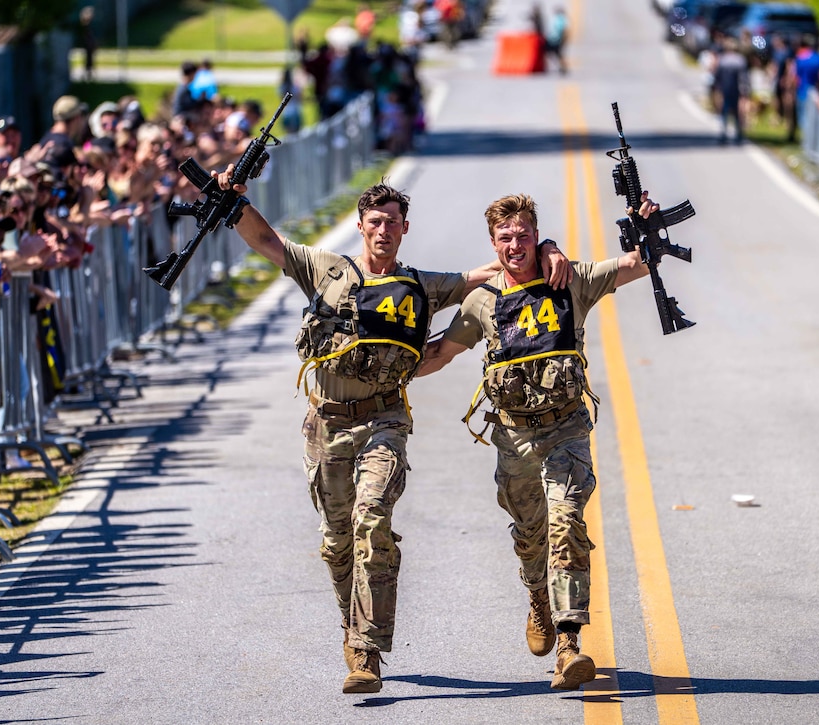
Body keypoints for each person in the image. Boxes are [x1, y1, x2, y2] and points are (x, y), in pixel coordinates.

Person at [212, 166, 570, 695]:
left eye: (393, 222)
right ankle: (351, 625)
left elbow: (499, 268)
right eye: (375, 221)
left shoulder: (423, 285)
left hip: (384, 420)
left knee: (371, 519)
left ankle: (366, 650)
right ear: (361, 225)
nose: (383, 230)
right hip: (327, 423)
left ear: (405, 229)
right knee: (337, 544)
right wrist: (234, 201)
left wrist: (551, 249)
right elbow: (266, 240)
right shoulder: (327, 269)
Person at [417, 191, 659, 691]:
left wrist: (642, 230)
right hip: (514, 439)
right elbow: (441, 353)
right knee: (531, 537)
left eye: (524, 235)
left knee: (567, 523)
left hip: (566, 428)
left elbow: (636, 266)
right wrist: (384, 368)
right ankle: (538, 599)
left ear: (535, 235)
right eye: (505, 237)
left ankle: (570, 644)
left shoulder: (570, 281)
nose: (515, 245)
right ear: (493, 243)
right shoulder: (482, 302)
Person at [713, 36, 749, 144]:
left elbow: (717, 76)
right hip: (736, 89)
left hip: (724, 89)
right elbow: (743, 78)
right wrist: (745, 91)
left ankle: (723, 133)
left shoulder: (722, 60)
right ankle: (738, 134)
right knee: (737, 112)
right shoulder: (740, 60)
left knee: (724, 111)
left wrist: (717, 88)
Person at [545, 6, 569, 74]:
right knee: (553, 53)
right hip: (552, 39)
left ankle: (563, 67)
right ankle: (560, 67)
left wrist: (563, 40)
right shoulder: (557, 18)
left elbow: (565, 30)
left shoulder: (562, 19)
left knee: (558, 54)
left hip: (558, 39)